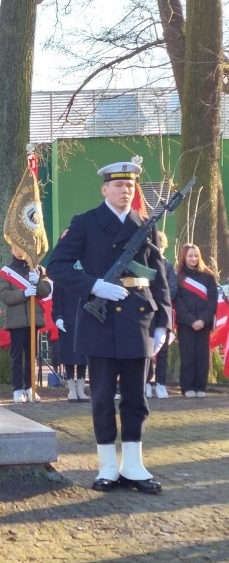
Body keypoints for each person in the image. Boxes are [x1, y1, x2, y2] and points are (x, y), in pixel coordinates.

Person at [46, 160, 171, 494]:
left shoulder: (144, 224)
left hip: (137, 320)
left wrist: (164, 322)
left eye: (130, 186)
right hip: (99, 321)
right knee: (101, 398)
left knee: (135, 398)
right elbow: (55, 266)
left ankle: (134, 465)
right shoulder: (85, 223)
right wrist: (94, 286)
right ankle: (107, 467)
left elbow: (157, 277)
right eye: (118, 185)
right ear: (104, 189)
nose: (125, 191)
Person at [0, 246, 52, 403]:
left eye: (22, 248)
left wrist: (38, 281)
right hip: (16, 320)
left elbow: (46, 291)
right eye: (15, 249)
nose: (19, 252)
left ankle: (30, 387)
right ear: (11, 249)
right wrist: (23, 293)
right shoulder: (6, 271)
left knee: (31, 356)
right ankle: (17, 389)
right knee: (16, 356)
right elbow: (4, 295)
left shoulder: (38, 269)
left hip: (34, 319)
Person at [174, 242, 217, 398]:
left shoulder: (208, 276)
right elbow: (177, 301)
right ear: (184, 257)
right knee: (188, 355)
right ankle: (187, 387)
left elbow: (213, 301)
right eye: (190, 256)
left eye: (196, 255)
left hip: (204, 323)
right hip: (186, 323)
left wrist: (203, 319)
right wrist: (191, 320)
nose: (193, 258)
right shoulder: (178, 277)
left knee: (202, 355)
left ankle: (201, 386)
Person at [146, 231, 177, 399]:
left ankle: (161, 383)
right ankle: (146, 382)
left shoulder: (168, 267)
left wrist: (160, 301)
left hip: (163, 312)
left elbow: (171, 288)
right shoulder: (146, 265)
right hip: (147, 311)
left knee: (162, 350)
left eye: (161, 246)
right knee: (146, 349)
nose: (159, 249)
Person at [52, 281, 89, 402]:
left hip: (84, 318)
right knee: (69, 356)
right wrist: (58, 317)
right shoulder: (61, 279)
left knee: (83, 357)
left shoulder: (85, 275)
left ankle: (81, 390)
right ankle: (72, 390)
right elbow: (56, 301)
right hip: (67, 320)